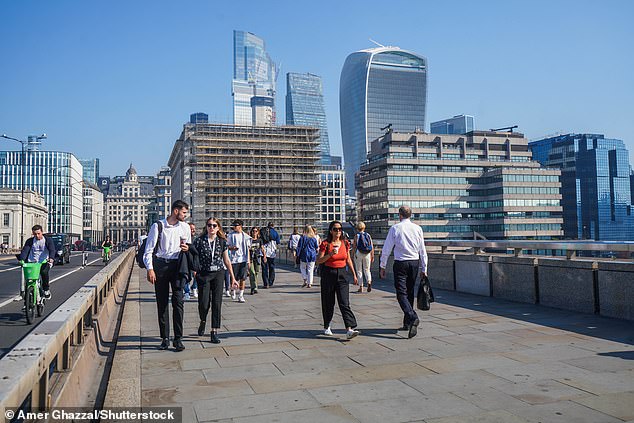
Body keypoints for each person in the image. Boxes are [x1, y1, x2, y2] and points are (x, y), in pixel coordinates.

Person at [143, 200, 192, 352]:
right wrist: (150, 269)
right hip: (161, 265)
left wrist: (186, 248)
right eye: (184, 212)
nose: (185, 215)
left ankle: (178, 338)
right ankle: (165, 338)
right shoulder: (158, 226)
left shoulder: (185, 227)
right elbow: (148, 250)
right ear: (175, 211)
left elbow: (189, 247)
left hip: (177, 266)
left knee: (178, 302)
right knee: (162, 302)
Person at [379, 205, 428, 339]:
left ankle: (412, 317)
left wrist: (382, 266)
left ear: (400, 214)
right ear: (410, 215)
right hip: (414, 262)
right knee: (410, 292)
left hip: (400, 263)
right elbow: (422, 250)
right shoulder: (418, 228)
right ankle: (407, 323)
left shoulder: (395, 228)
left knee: (401, 293)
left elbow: (387, 248)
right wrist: (424, 268)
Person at [193, 218, 236, 344]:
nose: (211, 227)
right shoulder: (199, 241)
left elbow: (227, 260)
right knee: (204, 303)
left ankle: (214, 331)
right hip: (204, 274)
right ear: (206, 227)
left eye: (214, 225)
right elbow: (194, 257)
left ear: (218, 228)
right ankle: (203, 320)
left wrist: (233, 277)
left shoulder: (222, 242)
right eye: (209, 225)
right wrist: (195, 271)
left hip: (218, 273)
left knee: (217, 303)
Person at [315, 221, 359, 340]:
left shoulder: (345, 243)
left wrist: (354, 274)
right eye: (335, 229)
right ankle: (327, 326)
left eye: (340, 229)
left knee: (344, 302)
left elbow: (348, 259)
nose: (338, 231)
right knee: (328, 302)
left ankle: (349, 329)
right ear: (331, 231)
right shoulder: (325, 243)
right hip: (328, 274)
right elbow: (318, 260)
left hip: (342, 275)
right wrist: (329, 254)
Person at [19, 225, 56, 300]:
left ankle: (46, 290)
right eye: (35, 234)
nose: (37, 235)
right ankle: (27, 303)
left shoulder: (48, 240)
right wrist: (22, 259)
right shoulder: (30, 241)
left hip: (44, 261)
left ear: (42, 232)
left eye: (38, 233)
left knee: (44, 273)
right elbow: (25, 250)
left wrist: (51, 258)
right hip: (32, 262)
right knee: (28, 280)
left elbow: (52, 249)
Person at [227, 219, 251, 303]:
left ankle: (241, 295)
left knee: (243, 278)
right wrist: (232, 248)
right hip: (234, 259)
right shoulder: (230, 235)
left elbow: (248, 249)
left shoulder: (246, 236)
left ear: (240, 226)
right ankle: (233, 290)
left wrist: (248, 261)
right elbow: (227, 246)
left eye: (235, 226)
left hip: (243, 259)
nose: (234, 227)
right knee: (234, 278)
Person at [351, 222, 375, 293]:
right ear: (364, 227)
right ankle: (369, 281)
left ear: (357, 228)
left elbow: (354, 246)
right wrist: (372, 255)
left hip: (359, 253)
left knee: (359, 270)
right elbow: (371, 246)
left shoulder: (356, 236)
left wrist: (352, 255)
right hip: (367, 253)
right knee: (367, 269)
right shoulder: (368, 235)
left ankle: (361, 287)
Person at [248, 227, 265, 295]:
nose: (254, 232)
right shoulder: (249, 240)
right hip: (251, 258)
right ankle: (253, 287)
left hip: (257, 258)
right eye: (253, 231)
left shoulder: (260, 240)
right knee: (252, 272)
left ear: (258, 232)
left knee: (256, 272)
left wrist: (264, 256)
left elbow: (262, 248)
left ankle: (255, 287)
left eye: (256, 231)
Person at [183, 222, 198, 300]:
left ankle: (194, 288)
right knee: (186, 276)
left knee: (196, 275)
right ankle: (187, 292)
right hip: (186, 260)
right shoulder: (184, 239)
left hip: (194, 260)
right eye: (191, 229)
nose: (193, 230)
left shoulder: (197, 239)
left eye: (194, 229)